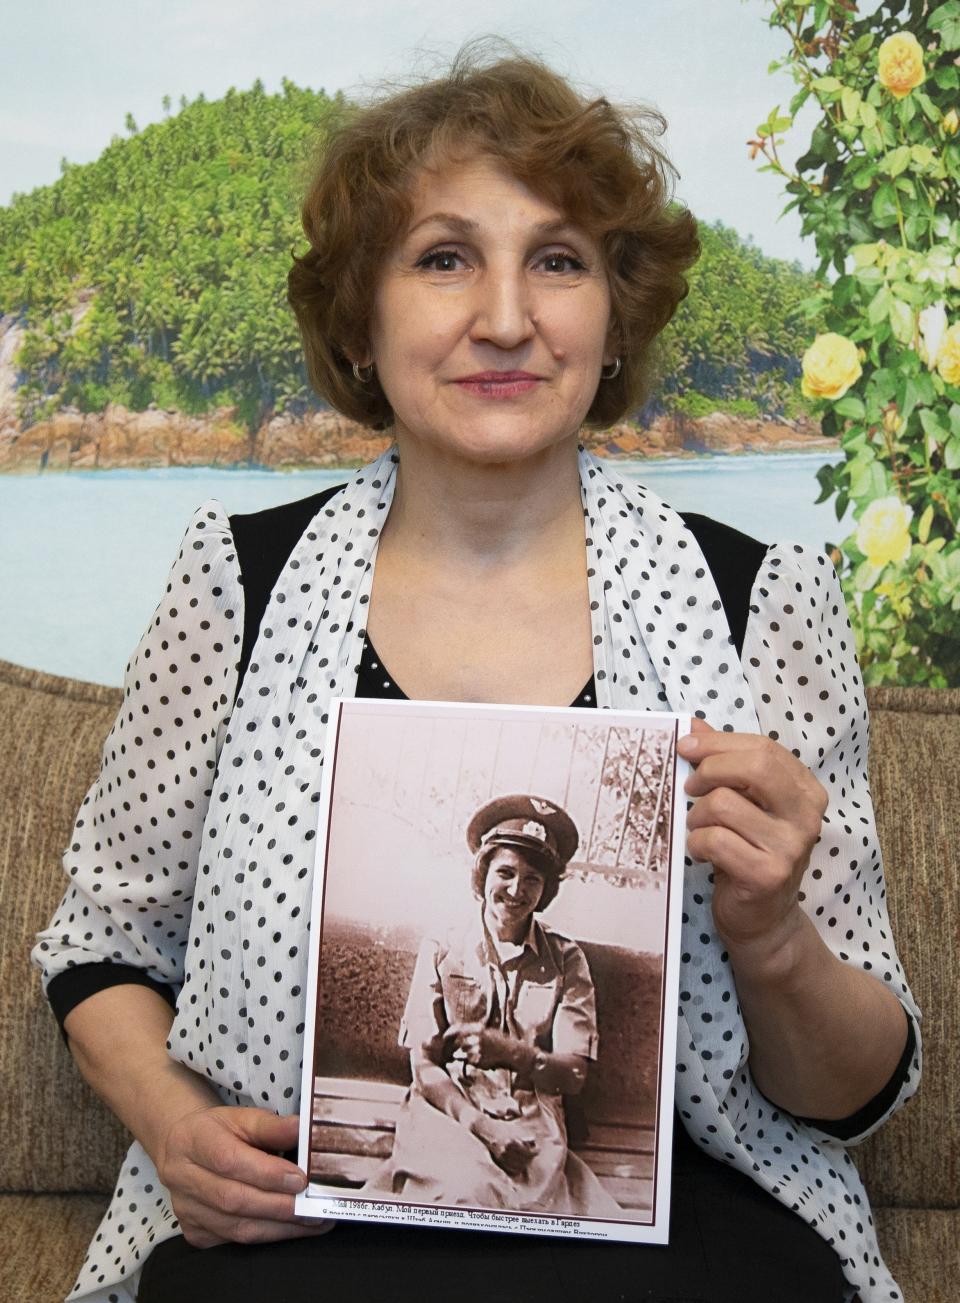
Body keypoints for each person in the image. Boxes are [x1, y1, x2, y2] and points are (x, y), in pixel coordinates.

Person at [32, 40, 920, 1303]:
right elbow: (103, 941)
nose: (505, 316)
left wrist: (774, 937)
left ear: (614, 319)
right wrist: (174, 1126)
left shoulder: (761, 598)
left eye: (557, 261)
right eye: (444, 257)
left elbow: (856, 1097)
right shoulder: (241, 578)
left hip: (670, 1234)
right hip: (314, 1225)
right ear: (362, 315)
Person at [363, 794, 621, 1216]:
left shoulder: (567, 959)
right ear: (482, 874)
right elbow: (423, 1065)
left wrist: (512, 1053)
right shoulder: (443, 945)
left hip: (530, 1115)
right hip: (449, 1110)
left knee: (524, 1208)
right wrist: (481, 1128)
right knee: (462, 1193)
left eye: (533, 879)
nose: (517, 890)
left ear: (547, 889)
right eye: (505, 872)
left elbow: (573, 1076)